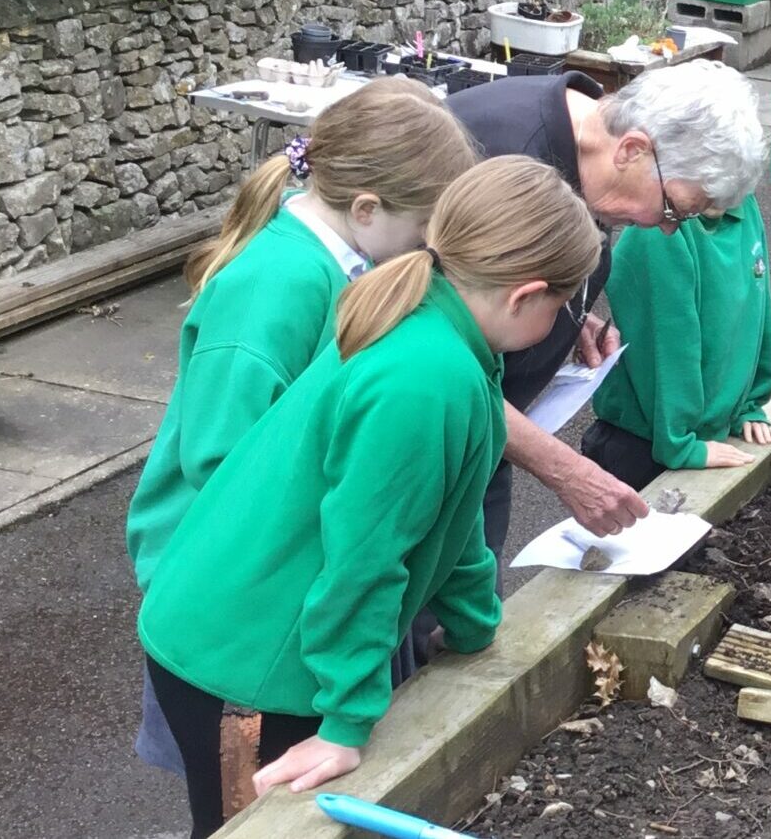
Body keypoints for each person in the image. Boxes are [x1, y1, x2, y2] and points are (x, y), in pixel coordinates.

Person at [136, 156, 600, 839]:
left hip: (251, 631)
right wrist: (346, 722)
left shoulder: (439, 328)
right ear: (525, 296)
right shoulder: (425, 379)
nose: (559, 320)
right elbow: (365, 558)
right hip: (245, 664)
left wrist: (476, 626)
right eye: (560, 306)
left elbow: (450, 517)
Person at [123, 76, 474, 774]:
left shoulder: (348, 266)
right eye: (425, 230)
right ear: (367, 209)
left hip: (282, 583)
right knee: (239, 798)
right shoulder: (277, 283)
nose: (432, 251)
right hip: (236, 597)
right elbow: (219, 457)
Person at [439, 60, 767, 552]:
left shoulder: (596, 151)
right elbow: (432, 356)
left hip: (484, 444)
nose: (667, 228)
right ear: (632, 150)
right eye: (675, 209)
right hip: (424, 449)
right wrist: (566, 470)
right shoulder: (497, 155)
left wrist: (566, 313)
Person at [580, 65, 771, 484]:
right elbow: (668, 346)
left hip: (705, 429)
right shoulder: (659, 229)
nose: (718, 206)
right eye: (693, 204)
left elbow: (758, 306)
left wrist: (750, 401)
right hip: (647, 439)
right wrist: (680, 443)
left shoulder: (734, 199)